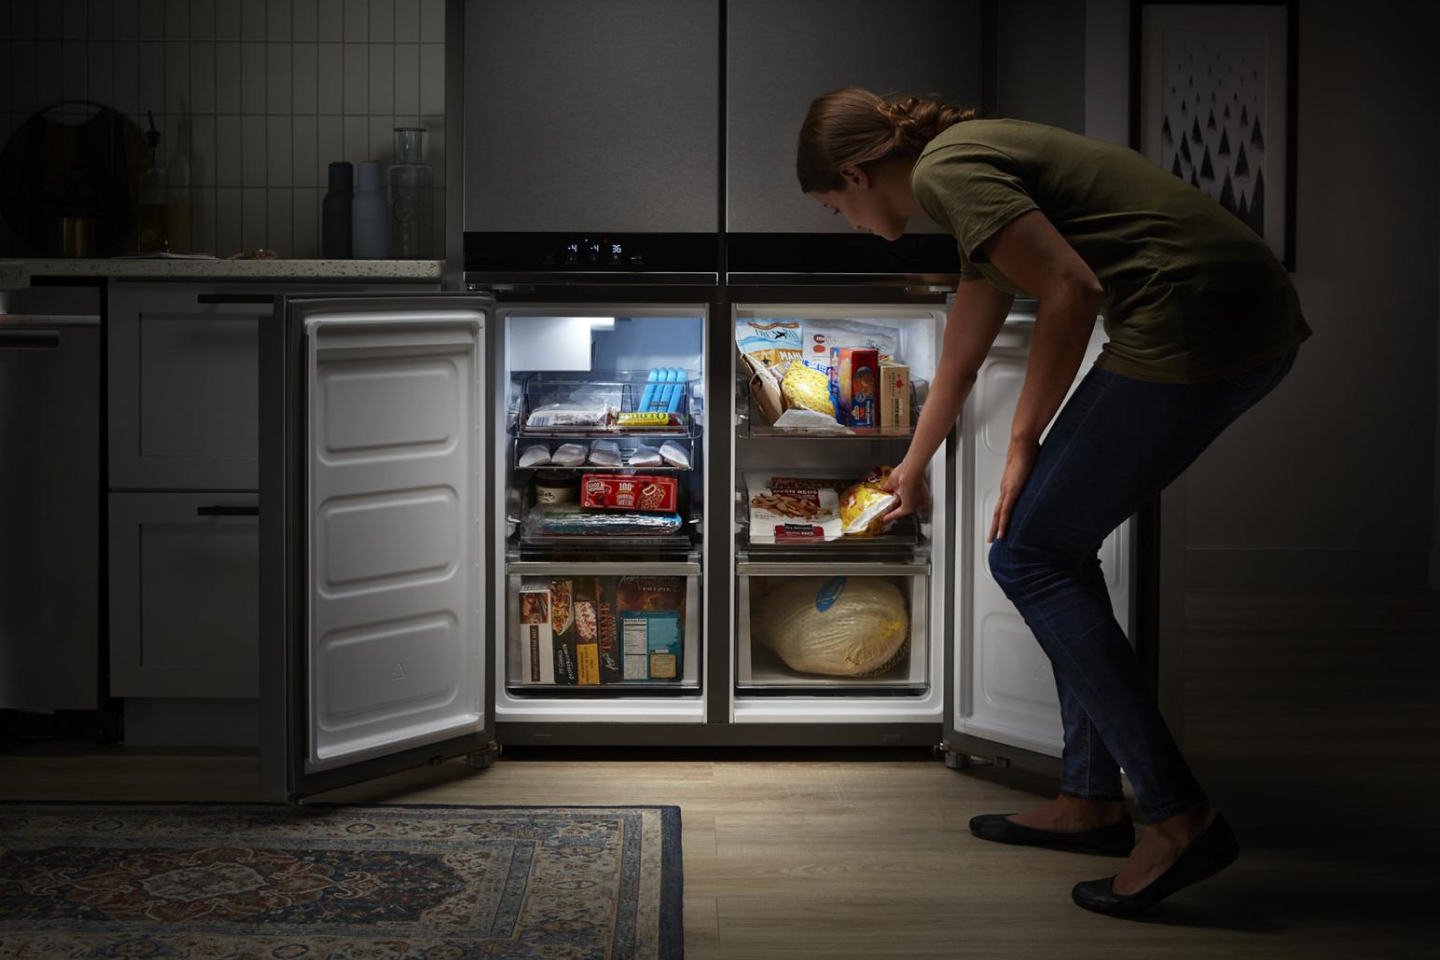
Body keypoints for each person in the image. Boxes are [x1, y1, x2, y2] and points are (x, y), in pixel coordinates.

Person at [797, 88, 1309, 916]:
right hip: (1229, 309)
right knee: (1050, 551)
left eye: (835, 206)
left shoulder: (949, 172)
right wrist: (913, 464)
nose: (844, 223)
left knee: (1028, 553)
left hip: (1198, 315)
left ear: (857, 173)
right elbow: (961, 357)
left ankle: (1178, 817)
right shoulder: (964, 183)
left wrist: (1026, 440)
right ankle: (1090, 799)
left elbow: (1070, 290)